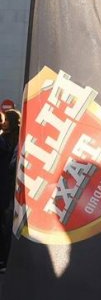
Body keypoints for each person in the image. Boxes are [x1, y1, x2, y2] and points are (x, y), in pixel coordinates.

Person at [0, 109, 20, 273]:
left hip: (7, 189)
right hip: (7, 187)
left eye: (6, 119)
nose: (4, 122)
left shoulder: (9, 140)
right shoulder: (7, 139)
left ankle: (4, 259)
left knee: (6, 225)